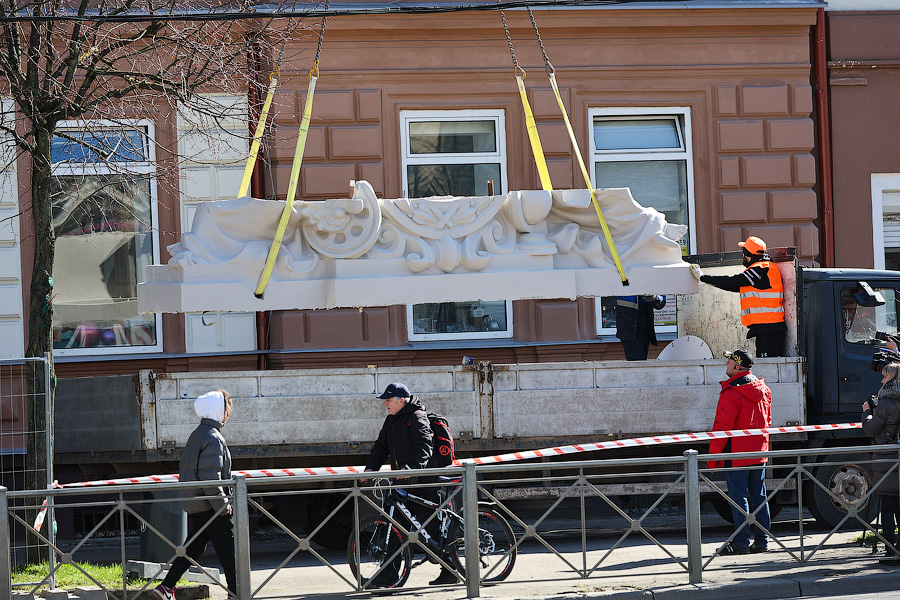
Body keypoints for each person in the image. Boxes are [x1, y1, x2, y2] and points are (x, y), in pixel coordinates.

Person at [363, 382, 458, 586]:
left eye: (388, 400)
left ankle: (451, 569)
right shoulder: (391, 421)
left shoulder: (416, 417)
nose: (385, 404)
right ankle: (388, 576)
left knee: (431, 528)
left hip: (423, 481)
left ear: (401, 400)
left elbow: (425, 446)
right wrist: (370, 469)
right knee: (394, 524)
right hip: (404, 481)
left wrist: (412, 469)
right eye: (385, 401)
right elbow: (380, 447)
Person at [154, 390, 236, 600]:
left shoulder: (197, 434)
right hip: (210, 506)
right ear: (219, 410)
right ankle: (237, 594)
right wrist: (223, 504)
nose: (229, 412)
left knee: (194, 548)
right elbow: (210, 476)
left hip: (197, 503)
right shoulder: (213, 438)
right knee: (230, 553)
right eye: (227, 407)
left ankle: (166, 586)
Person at [708, 349, 773, 554]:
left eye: (728, 363)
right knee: (759, 495)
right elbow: (768, 422)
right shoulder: (763, 389)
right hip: (758, 452)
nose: (725, 366)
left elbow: (722, 428)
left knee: (738, 498)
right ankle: (762, 542)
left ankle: (741, 543)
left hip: (737, 454)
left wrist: (713, 458)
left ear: (737, 367)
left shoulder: (731, 393)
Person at [699, 236, 786, 357]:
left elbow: (732, 282)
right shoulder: (762, 270)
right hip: (767, 328)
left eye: (743, 253)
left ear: (747, 254)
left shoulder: (761, 269)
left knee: (768, 369)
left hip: (769, 328)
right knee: (766, 366)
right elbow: (734, 286)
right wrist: (708, 281)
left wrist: (703, 277)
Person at [862, 361, 900, 565]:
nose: (882, 379)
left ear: (891, 380)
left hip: (887, 460)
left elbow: (871, 429)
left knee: (887, 507)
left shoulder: (885, 403)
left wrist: (867, 412)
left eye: (885, 376)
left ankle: (891, 551)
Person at [615, 295, 666, 360]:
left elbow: (661, 301)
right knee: (638, 362)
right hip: (629, 326)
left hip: (645, 324)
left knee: (641, 361)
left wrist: (654, 297)